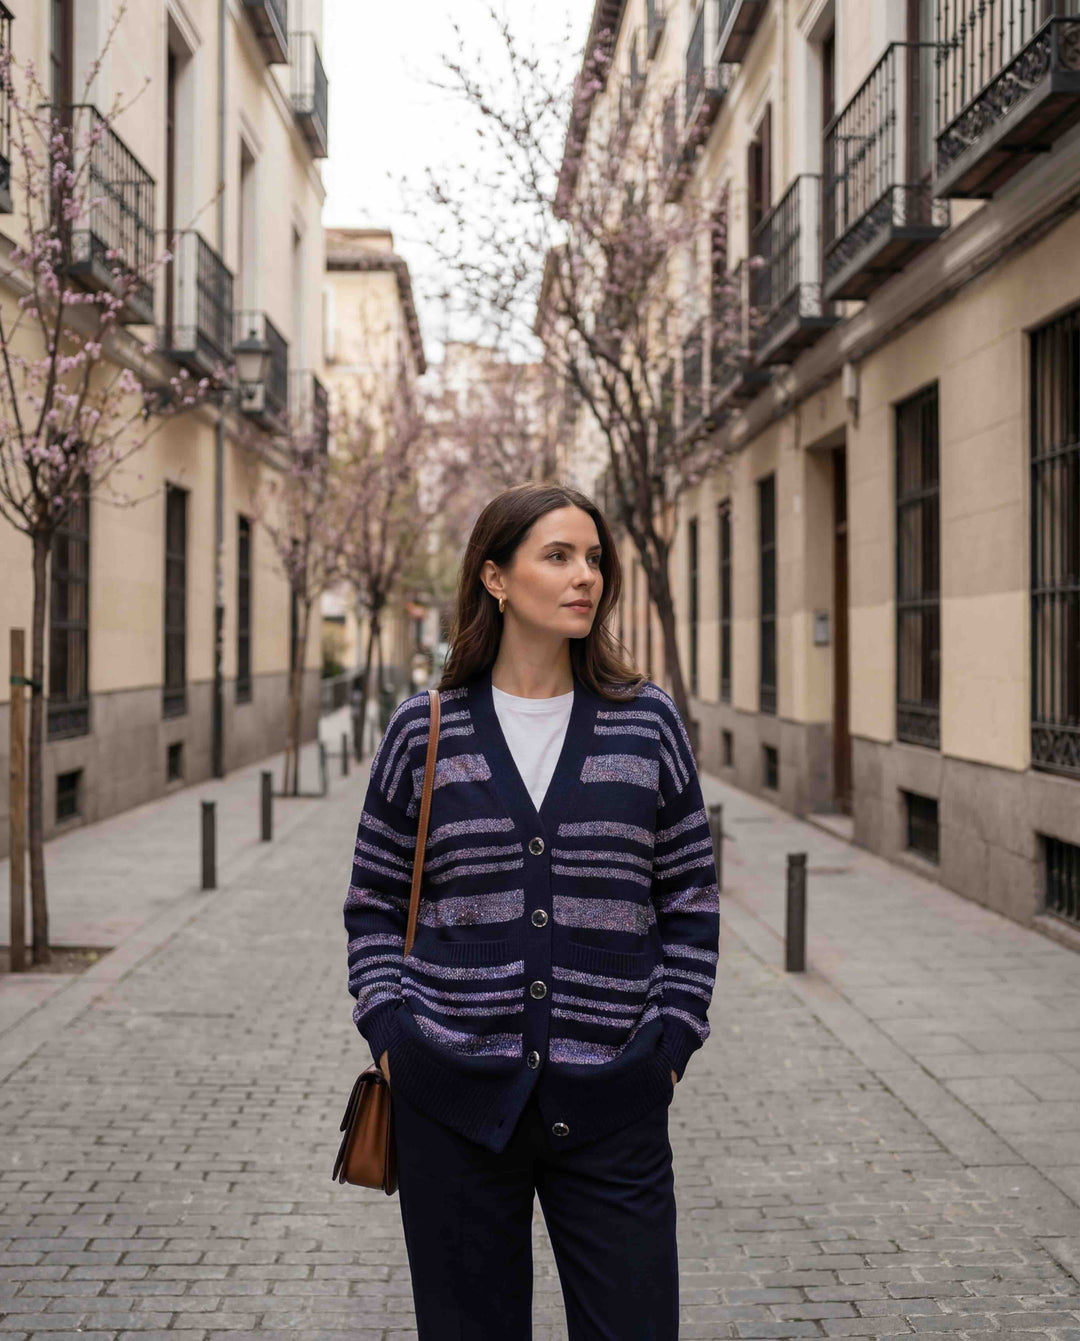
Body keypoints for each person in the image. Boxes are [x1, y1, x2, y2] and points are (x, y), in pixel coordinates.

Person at [343, 482, 720, 1340]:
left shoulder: (646, 724)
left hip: (617, 1099)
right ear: (497, 579)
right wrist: (391, 1035)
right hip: (453, 1101)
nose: (586, 575)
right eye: (559, 556)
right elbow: (374, 900)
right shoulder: (424, 730)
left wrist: (669, 1046)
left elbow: (691, 897)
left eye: (593, 558)